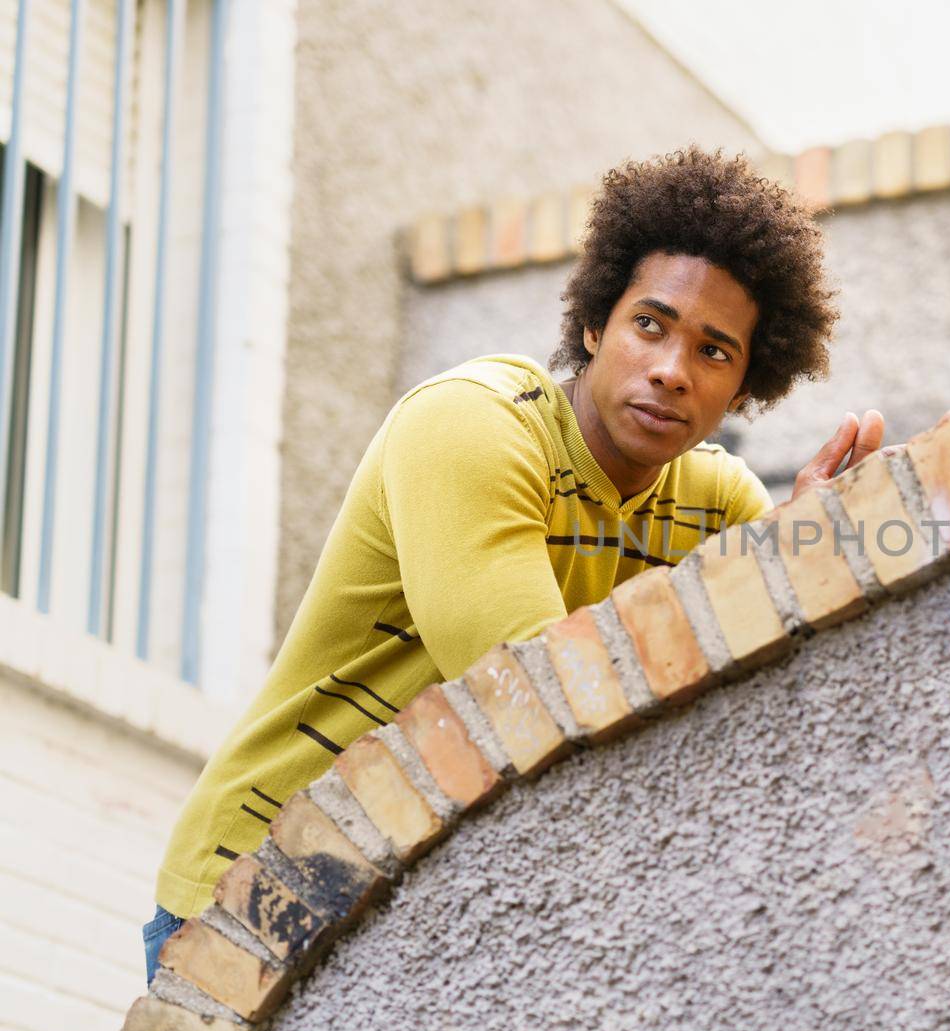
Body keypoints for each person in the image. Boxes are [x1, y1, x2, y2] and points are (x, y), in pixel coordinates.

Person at [143, 146, 885, 982]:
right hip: (266, 876)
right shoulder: (475, 425)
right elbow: (533, 702)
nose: (672, 370)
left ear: (746, 384)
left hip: (438, 909)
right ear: (596, 325)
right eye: (651, 324)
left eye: (715, 351)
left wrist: (802, 555)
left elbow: (767, 700)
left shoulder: (717, 501)